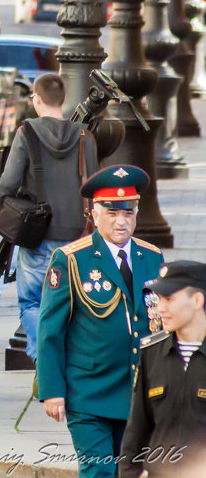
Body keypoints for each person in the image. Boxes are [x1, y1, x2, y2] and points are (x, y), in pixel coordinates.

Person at [36, 165, 164, 478]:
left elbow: (162, 326)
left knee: (131, 471)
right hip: (88, 392)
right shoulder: (71, 259)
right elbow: (50, 330)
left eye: (129, 212)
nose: (122, 221)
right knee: (99, 471)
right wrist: (52, 390)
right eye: (112, 212)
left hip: (137, 392)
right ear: (94, 214)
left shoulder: (152, 256)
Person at [0, 72, 99, 362]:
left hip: (37, 234)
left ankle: (45, 361)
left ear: (36, 99)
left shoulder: (27, 133)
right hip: (78, 236)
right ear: (63, 100)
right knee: (73, 303)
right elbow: (96, 189)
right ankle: (69, 361)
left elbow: (7, 184)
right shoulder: (86, 137)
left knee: (32, 302)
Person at [119, 261, 206, 478]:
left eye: (169, 299)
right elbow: (137, 428)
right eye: (159, 300)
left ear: (197, 300)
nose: (160, 308)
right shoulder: (152, 352)